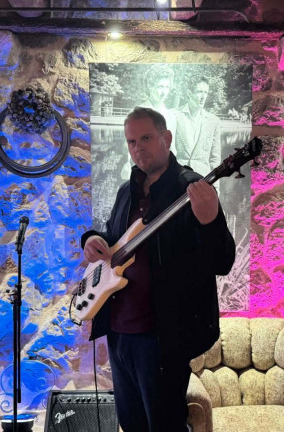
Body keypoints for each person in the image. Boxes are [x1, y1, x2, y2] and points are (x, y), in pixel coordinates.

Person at [81, 107, 235, 432]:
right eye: (132, 141)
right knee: (131, 425)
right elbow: (114, 240)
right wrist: (93, 239)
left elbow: (222, 261)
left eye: (146, 138)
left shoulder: (191, 188)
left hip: (162, 338)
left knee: (165, 426)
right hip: (120, 334)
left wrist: (209, 221)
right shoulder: (127, 191)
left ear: (166, 138)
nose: (138, 147)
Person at [174, 76, 222, 177]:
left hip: (203, 179)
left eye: (205, 92)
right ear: (189, 93)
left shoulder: (214, 121)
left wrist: (214, 184)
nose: (203, 97)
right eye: (199, 92)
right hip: (178, 178)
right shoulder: (175, 116)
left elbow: (215, 159)